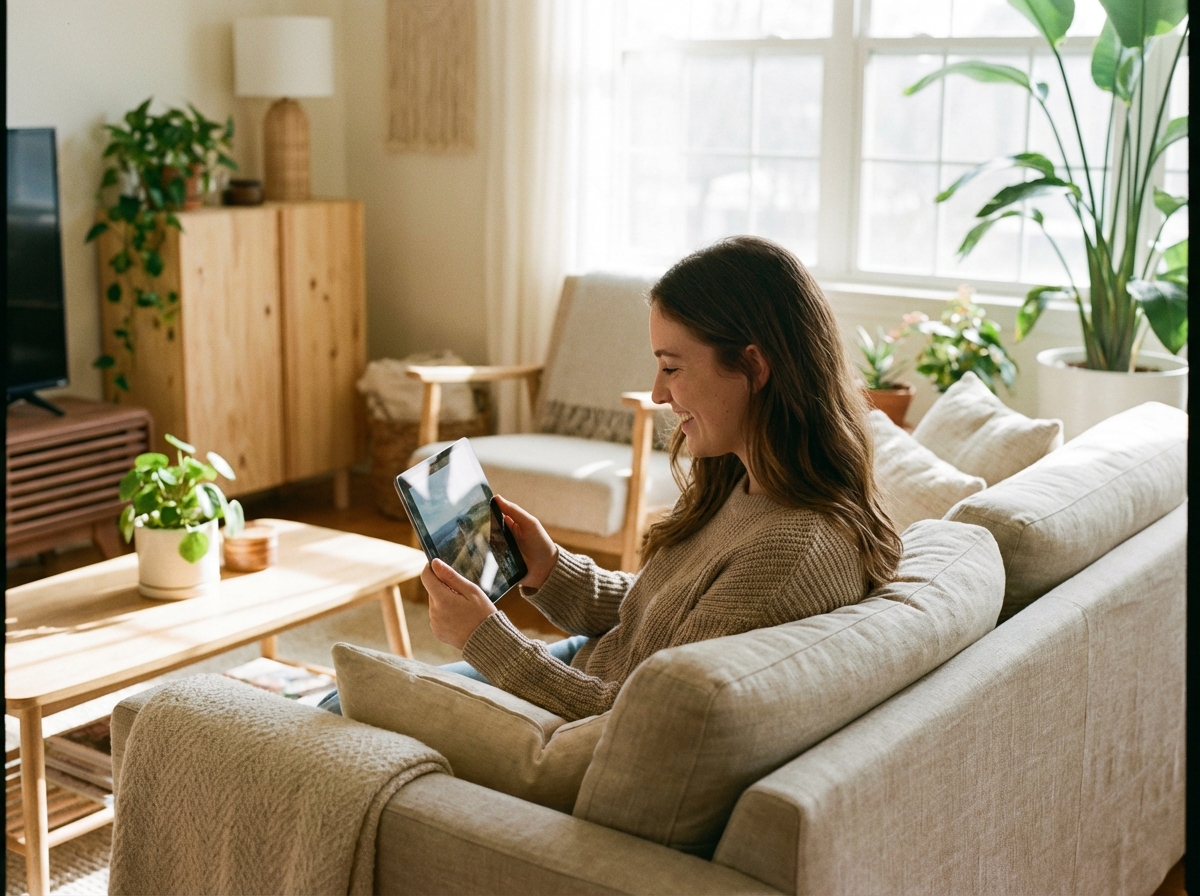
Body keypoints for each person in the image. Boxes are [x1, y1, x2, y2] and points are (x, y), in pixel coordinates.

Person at [322, 235, 901, 721]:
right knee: (339, 698)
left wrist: (484, 635)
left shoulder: (791, 553)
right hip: (587, 659)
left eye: (672, 367)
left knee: (334, 710)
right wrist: (550, 567)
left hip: (581, 696)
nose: (657, 393)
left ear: (753, 366)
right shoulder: (741, 478)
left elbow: (632, 717)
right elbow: (663, 616)